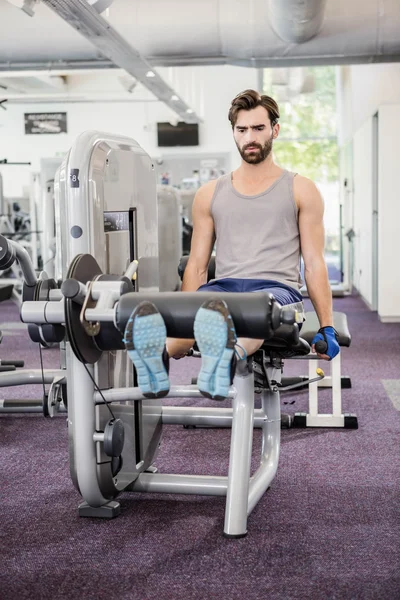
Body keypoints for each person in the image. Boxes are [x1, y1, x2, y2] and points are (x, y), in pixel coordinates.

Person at [124, 89, 339, 400]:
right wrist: (183, 312)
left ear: (274, 130)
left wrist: (327, 326)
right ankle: (160, 357)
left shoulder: (301, 189)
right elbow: (197, 266)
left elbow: (315, 262)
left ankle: (226, 356)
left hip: (276, 290)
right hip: (222, 287)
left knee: (251, 314)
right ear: (234, 133)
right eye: (242, 130)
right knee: (189, 324)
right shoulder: (210, 193)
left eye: (258, 128)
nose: (249, 137)